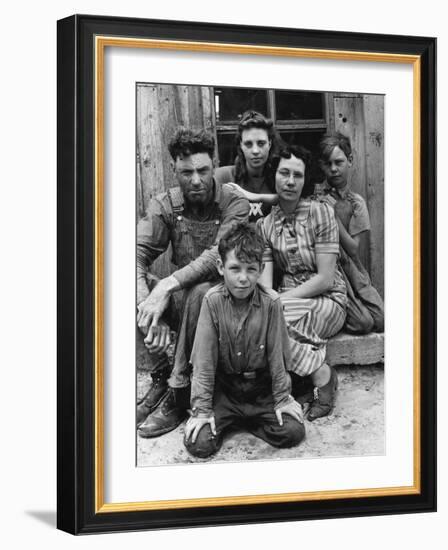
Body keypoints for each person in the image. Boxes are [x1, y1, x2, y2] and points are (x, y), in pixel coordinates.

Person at [136, 127, 250, 437]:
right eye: (186, 172)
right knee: (130, 282)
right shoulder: (164, 205)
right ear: (174, 168)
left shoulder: (234, 204)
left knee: (203, 291)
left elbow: (218, 256)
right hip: (183, 302)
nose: (196, 180)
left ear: (214, 165)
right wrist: (150, 307)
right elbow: (134, 253)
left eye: (202, 170)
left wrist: (166, 284)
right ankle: (161, 377)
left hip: (226, 310)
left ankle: (179, 393)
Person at [184, 223, 305, 458]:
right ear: (220, 267)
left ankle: (246, 420)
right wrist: (201, 410)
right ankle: (234, 418)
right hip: (226, 389)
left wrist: (282, 400)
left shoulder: (271, 303)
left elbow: (277, 356)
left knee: (292, 431)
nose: (243, 278)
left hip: (260, 390)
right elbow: (204, 362)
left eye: (251, 269)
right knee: (199, 444)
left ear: (260, 269)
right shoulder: (212, 301)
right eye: (235, 268)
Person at [257, 144, 347, 421]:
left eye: (298, 175)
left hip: (328, 298)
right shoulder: (265, 226)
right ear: (274, 175)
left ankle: (319, 381)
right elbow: (266, 283)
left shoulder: (320, 213)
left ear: (305, 180)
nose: (291, 181)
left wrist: (279, 302)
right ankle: (319, 372)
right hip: (285, 297)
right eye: (284, 173)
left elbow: (325, 278)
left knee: (286, 327)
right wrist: (273, 301)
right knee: (264, 323)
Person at [315, 132, 384, 333]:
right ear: (322, 165)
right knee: (364, 323)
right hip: (326, 265)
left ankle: (351, 306)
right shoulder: (316, 195)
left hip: (351, 267)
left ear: (350, 160)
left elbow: (354, 249)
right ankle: (337, 312)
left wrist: (333, 216)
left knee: (381, 321)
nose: (334, 169)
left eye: (339, 162)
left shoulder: (356, 203)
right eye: (328, 164)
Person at [214, 110, 281, 223]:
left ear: (269, 143)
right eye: (248, 144)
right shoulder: (224, 176)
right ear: (241, 145)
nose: (255, 151)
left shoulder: (280, 177)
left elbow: (297, 201)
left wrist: (252, 196)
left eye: (261, 143)